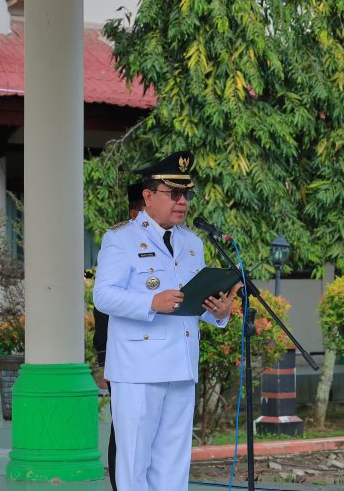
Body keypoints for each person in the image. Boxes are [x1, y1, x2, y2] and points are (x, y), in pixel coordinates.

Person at [93, 151, 242, 490]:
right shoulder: (121, 238)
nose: (182, 201)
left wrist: (218, 313)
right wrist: (151, 302)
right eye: (173, 193)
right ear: (148, 196)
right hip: (138, 369)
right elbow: (102, 296)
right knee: (134, 462)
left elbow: (193, 299)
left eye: (186, 194)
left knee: (173, 463)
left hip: (180, 364)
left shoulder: (192, 242)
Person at [92, 181, 145, 491]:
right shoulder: (120, 242)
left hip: (154, 360)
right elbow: (103, 311)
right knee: (121, 432)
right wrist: (104, 359)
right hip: (121, 358)